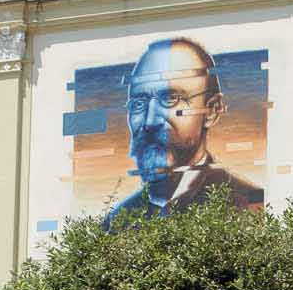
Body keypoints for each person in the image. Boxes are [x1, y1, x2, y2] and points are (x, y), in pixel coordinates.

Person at [103, 37, 262, 227]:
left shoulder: (251, 206)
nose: (150, 121)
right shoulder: (116, 223)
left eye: (170, 98)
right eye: (139, 104)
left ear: (212, 110)